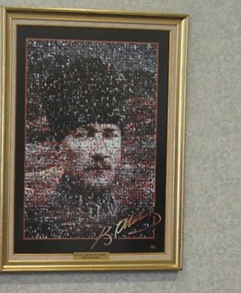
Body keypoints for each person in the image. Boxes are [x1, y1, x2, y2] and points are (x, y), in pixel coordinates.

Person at [22, 53, 148, 243]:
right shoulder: (37, 225)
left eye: (110, 135)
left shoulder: (141, 224)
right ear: (59, 147)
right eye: (84, 135)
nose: (99, 151)